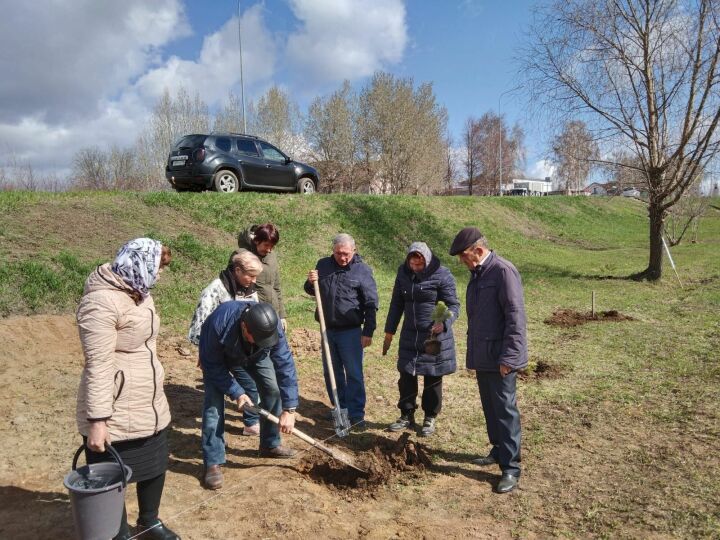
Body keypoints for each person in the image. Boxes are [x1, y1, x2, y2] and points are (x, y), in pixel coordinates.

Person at [75, 238, 180, 540]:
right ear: (139, 264)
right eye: (157, 268)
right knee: (111, 475)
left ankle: (149, 520)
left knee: (156, 461)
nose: (159, 275)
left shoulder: (140, 292)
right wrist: (97, 420)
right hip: (115, 406)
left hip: (148, 398)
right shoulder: (100, 302)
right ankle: (117, 531)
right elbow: (98, 364)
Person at [449, 227, 528, 494]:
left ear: (478, 251)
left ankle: (510, 468)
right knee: (490, 408)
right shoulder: (478, 274)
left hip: (500, 358)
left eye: (463, 256)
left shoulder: (503, 272)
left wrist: (509, 357)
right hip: (484, 355)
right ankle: (497, 450)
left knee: (505, 411)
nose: (462, 262)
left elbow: (515, 317)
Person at [199, 301, 299, 490]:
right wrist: (237, 392)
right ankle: (212, 461)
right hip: (219, 357)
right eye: (258, 338)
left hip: (255, 356)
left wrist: (290, 409)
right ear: (245, 327)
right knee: (213, 407)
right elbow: (211, 365)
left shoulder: (271, 324)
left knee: (273, 389)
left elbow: (285, 364)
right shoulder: (220, 323)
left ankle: (269, 445)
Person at [382, 242, 460, 437]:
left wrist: (444, 323)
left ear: (427, 260)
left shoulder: (442, 274)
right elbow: (396, 303)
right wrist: (389, 331)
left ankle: (430, 417)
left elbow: (453, 305)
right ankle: (406, 415)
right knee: (407, 374)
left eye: (419, 265)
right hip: (410, 334)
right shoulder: (403, 273)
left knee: (433, 377)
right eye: (412, 264)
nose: (415, 268)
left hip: (433, 336)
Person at [304, 233, 379, 429]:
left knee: (353, 373)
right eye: (339, 253)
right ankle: (340, 407)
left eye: (346, 254)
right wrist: (310, 282)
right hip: (327, 329)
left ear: (354, 250)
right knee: (331, 371)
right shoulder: (323, 265)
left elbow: (371, 303)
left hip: (351, 331)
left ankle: (356, 414)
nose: (343, 258)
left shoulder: (362, 271)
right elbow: (313, 290)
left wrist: (368, 331)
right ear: (333, 251)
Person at [188, 250, 263, 436]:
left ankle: (251, 423)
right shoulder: (214, 290)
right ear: (237, 270)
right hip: (215, 351)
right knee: (214, 399)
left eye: (256, 276)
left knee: (251, 385)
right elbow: (199, 326)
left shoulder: (250, 291)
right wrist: (203, 352)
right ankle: (214, 450)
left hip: (239, 352)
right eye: (250, 275)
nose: (254, 280)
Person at [237, 223, 288, 332]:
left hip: (273, 313)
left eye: (272, 246)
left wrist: (281, 315)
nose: (269, 250)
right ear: (256, 241)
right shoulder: (242, 257)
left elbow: (276, 287)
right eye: (266, 245)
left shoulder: (272, 257)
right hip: (254, 315)